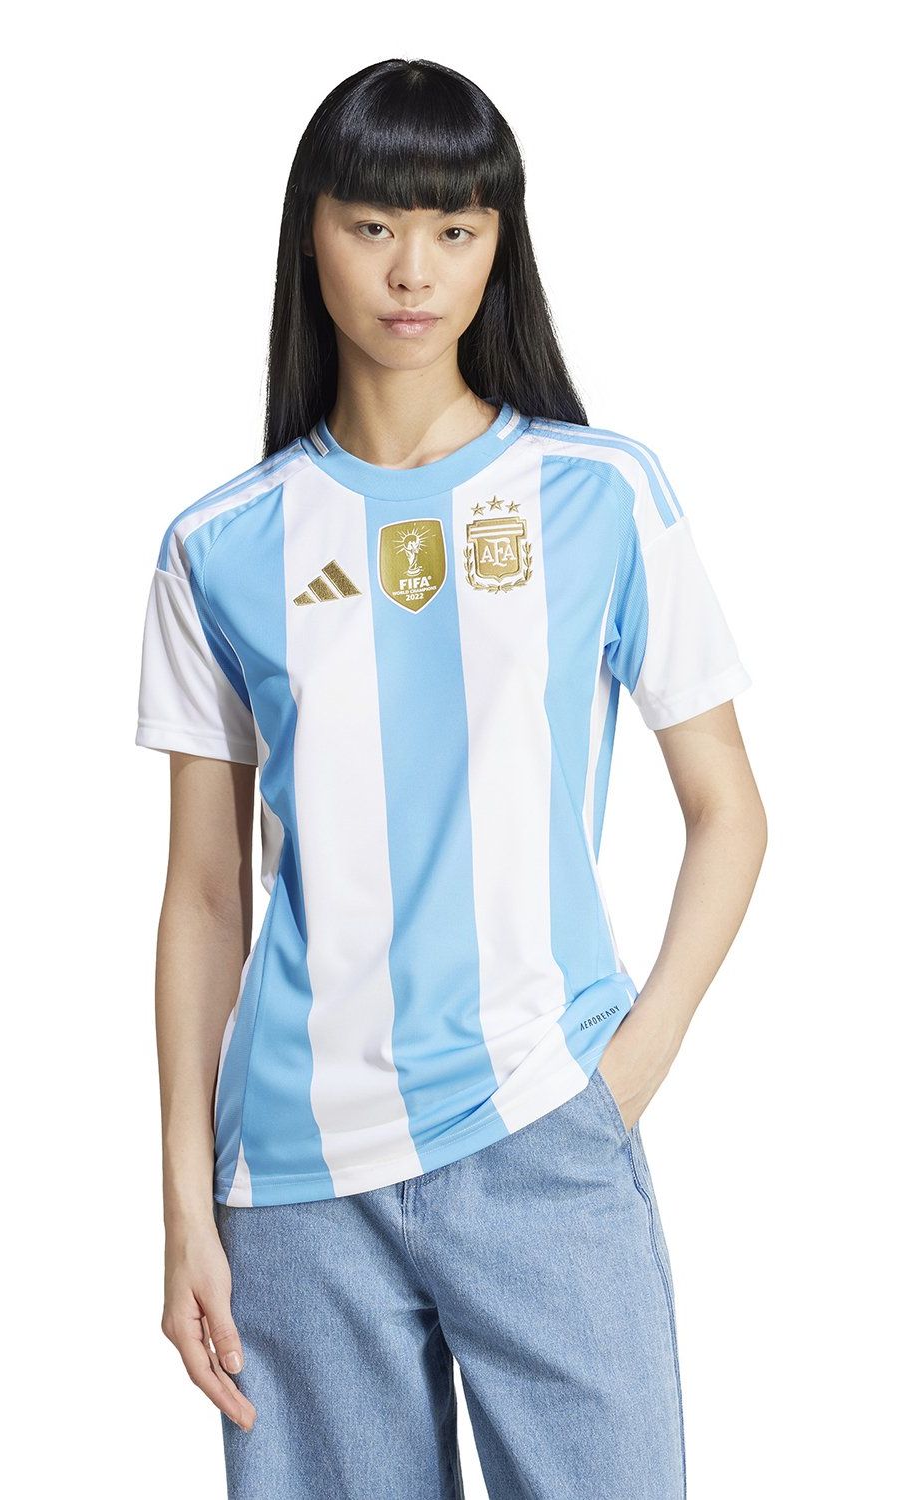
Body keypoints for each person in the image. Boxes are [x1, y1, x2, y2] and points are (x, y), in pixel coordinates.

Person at [134, 56, 767, 1500]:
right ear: (312, 232)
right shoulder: (217, 546)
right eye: (373, 225)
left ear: (498, 245)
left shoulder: (602, 494)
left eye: (455, 228)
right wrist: (183, 1206)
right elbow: (204, 896)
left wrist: (617, 1081)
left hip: (546, 1133)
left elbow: (729, 811)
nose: (412, 269)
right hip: (292, 1180)